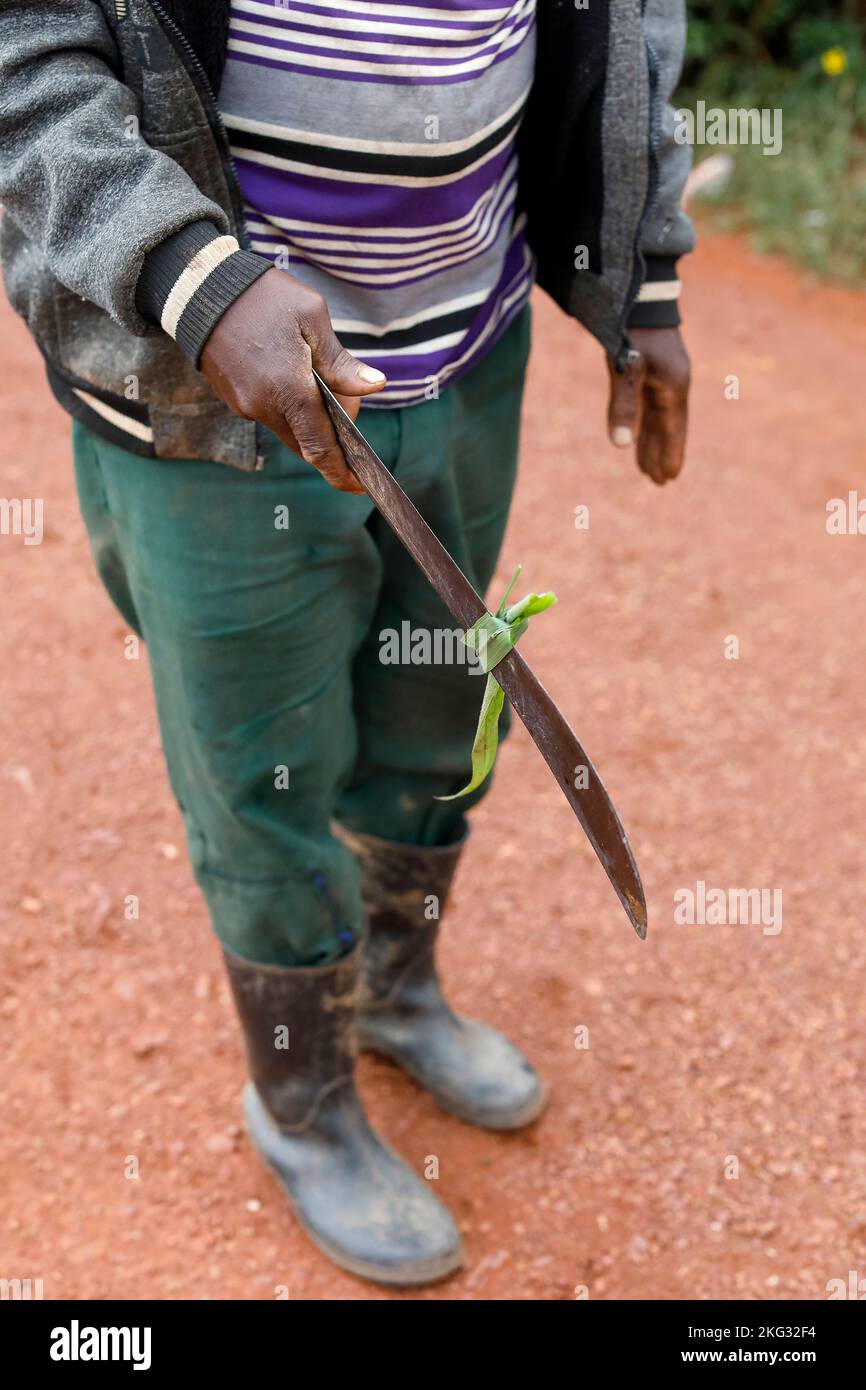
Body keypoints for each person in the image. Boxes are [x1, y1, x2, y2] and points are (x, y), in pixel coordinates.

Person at [0, 0, 694, 1287]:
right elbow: (23, 63)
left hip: (466, 355)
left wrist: (641, 267)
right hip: (209, 409)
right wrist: (195, 282)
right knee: (262, 765)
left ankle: (390, 988)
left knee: (433, 715)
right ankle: (303, 1095)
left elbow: (630, 22)